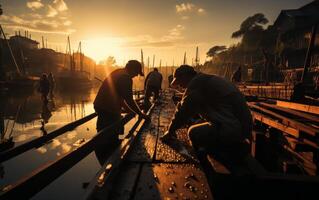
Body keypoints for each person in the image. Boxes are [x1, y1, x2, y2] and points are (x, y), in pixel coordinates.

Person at [161, 65, 253, 164]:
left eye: (179, 82)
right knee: (199, 122)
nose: (180, 86)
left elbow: (183, 111)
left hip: (234, 128)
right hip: (242, 125)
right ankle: (225, 147)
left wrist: (170, 131)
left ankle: (213, 160)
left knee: (193, 132)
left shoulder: (196, 84)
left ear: (185, 76)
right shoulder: (206, 79)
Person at [94, 60, 148, 134]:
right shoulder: (125, 78)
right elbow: (129, 100)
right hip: (107, 107)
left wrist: (130, 110)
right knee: (113, 131)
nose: (136, 75)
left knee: (105, 129)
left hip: (100, 105)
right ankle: (114, 142)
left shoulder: (119, 72)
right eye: (136, 73)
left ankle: (107, 140)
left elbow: (121, 98)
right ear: (132, 69)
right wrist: (140, 114)